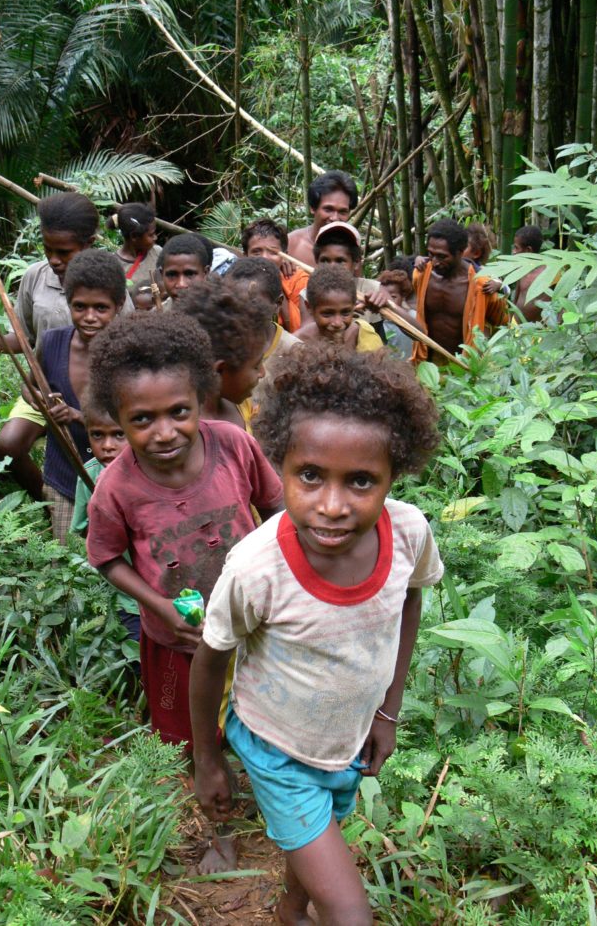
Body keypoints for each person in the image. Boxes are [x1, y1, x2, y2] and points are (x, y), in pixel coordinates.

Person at [189, 344, 443, 926]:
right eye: (310, 476)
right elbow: (210, 660)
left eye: (360, 481)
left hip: (346, 742)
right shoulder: (257, 568)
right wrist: (207, 757)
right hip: (277, 748)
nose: (332, 505)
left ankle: (288, 912)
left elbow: (409, 598)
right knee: (349, 912)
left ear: (392, 476)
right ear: (278, 461)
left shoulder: (407, 532)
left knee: (312, 854)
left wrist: (388, 712)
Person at [85, 309, 283, 869]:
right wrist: (159, 605)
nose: (164, 431)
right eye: (142, 419)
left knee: (256, 713)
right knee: (191, 738)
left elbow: (274, 510)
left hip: (252, 627)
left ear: (201, 398)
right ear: (117, 420)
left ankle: (268, 794)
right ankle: (217, 825)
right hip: (178, 641)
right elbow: (104, 557)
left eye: (179, 412)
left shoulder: (233, 445)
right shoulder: (117, 486)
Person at [0, 193, 133, 499]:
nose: (54, 260)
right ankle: (48, 500)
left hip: (96, 389)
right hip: (46, 386)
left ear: (88, 243)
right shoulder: (36, 277)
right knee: (8, 445)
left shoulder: (109, 287)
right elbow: (23, 340)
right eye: (48, 249)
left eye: (64, 252)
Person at [26, 248, 126, 542]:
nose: (90, 317)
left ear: (118, 305)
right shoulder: (53, 341)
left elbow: (137, 420)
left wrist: (76, 416)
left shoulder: (130, 352)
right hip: (64, 473)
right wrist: (42, 402)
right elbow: (30, 384)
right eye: (80, 307)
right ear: (68, 303)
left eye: (101, 308)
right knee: (67, 560)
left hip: (120, 476)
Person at [71, 391, 140, 655]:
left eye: (118, 435)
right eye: (97, 435)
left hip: (168, 586)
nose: (107, 445)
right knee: (138, 659)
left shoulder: (153, 471)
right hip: (126, 596)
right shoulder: (89, 475)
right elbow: (81, 530)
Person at [173, 277, 274, 432]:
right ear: (219, 371)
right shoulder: (193, 434)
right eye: (256, 365)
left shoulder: (239, 404)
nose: (262, 372)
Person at [412, 218, 508, 364]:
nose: (435, 262)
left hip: (465, 368)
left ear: (460, 252)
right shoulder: (421, 275)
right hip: (428, 364)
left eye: (442, 256)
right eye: (431, 254)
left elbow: (502, 323)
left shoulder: (481, 286)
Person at [224, 256, 301, 404]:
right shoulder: (219, 345)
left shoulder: (295, 354)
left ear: (277, 304)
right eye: (233, 303)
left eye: (254, 306)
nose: (242, 313)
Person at [241, 218, 309, 332]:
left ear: (285, 256)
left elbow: (302, 331)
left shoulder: (298, 280)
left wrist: (276, 284)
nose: (264, 258)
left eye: (273, 252)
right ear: (245, 256)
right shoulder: (238, 282)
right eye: (256, 252)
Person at [295, 265, 382, 352]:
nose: (337, 323)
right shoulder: (297, 344)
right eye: (327, 314)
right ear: (309, 307)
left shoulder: (362, 336)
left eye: (345, 313)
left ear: (353, 305)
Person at [287, 170, 358, 268]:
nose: (335, 218)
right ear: (313, 208)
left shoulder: (350, 250)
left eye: (342, 212)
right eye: (328, 209)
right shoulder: (291, 245)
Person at [107, 203, 161, 310]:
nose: (155, 238)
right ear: (134, 237)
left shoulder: (157, 253)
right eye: (151, 235)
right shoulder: (113, 265)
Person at [157, 234, 210, 304]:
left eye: (190, 274)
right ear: (162, 274)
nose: (181, 284)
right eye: (172, 275)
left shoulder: (222, 313)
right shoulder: (157, 313)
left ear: (205, 273)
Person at [512, 225, 549, 322]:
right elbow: (516, 297)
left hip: (535, 332)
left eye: (516, 248)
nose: (513, 252)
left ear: (528, 250)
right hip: (515, 326)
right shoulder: (522, 269)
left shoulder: (548, 274)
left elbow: (557, 305)